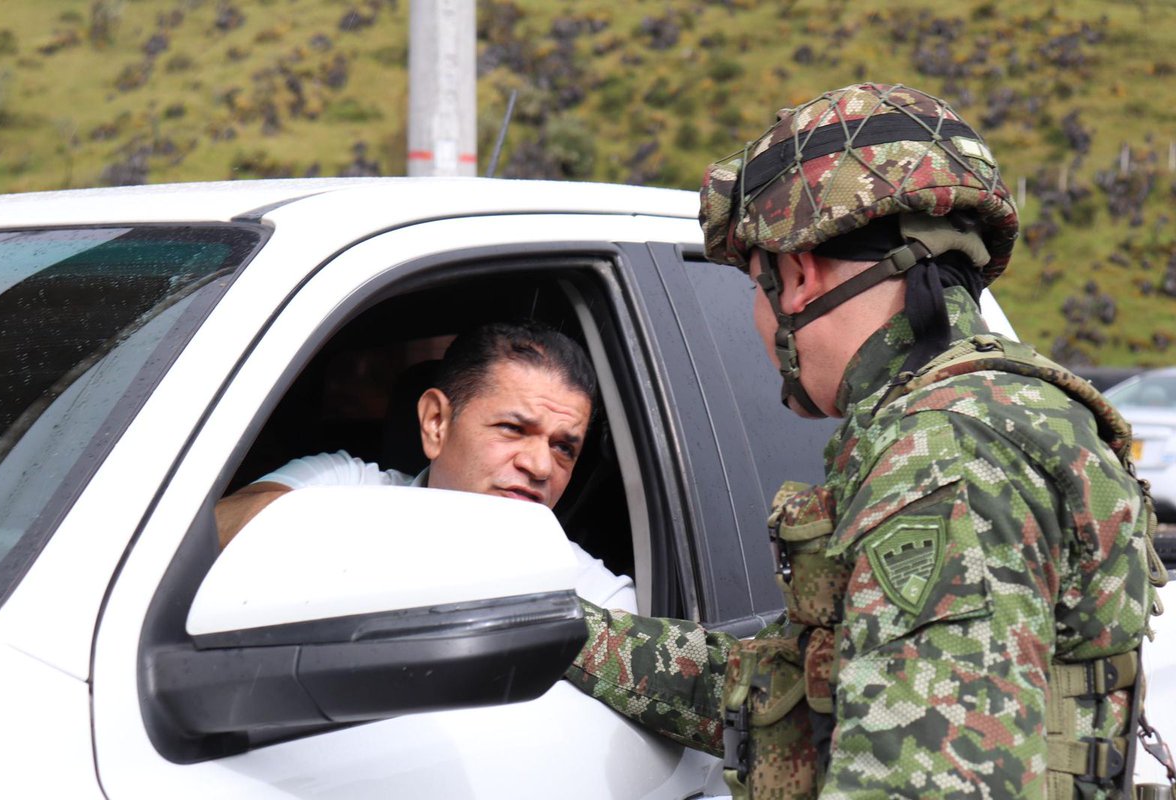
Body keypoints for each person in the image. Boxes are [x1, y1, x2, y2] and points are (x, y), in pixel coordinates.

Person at [565, 83, 1167, 798]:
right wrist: (573, 636)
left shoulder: (947, 457)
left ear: (795, 277)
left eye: (756, 291)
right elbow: (794, 684)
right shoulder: (1004, 410)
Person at [215, 319, 637, 612]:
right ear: (436, 423)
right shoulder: (344, 483)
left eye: (564, 447)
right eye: (512, 428)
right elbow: (206, 534)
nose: (541, 465)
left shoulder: (594, 594)